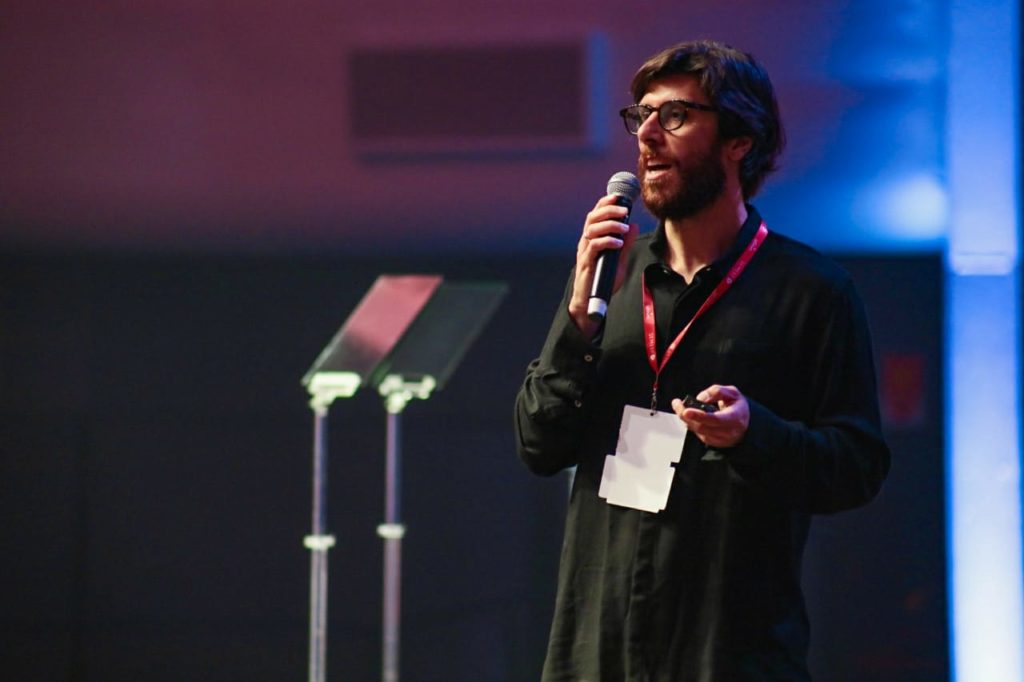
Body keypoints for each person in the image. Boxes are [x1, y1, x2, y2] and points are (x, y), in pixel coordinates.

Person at [513, 39, 891, 681]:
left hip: (729, 652)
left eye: (675, 116)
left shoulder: (812, 292)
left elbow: (855, 466)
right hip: (598, 651)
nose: (648, 136)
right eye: (641, 117)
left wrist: (754, 433)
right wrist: (576, 325)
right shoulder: (608, 280)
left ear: (739, 139)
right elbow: (538, 444)